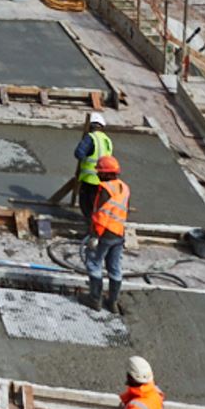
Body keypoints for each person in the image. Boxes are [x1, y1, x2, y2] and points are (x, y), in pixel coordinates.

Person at [85, 154, 130, 313]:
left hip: (104, 234)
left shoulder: (105, 189)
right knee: (115, 268)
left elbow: (101, 215)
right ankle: (112, 302)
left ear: (106, 173)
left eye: (100, 172)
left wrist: (95, 236)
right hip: (118, 233)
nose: (98, 174)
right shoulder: (124, 188)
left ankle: (94, 300)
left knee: (94, 264)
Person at [61, 111, 114, 218]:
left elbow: (79, 153)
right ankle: (95, 222)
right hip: (103, 180)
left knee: (86, 205)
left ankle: (90, 224)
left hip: (89, 179)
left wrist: (86, 160)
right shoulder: (107, 140)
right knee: (96, 204)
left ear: (90, 126)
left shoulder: (91, 138)